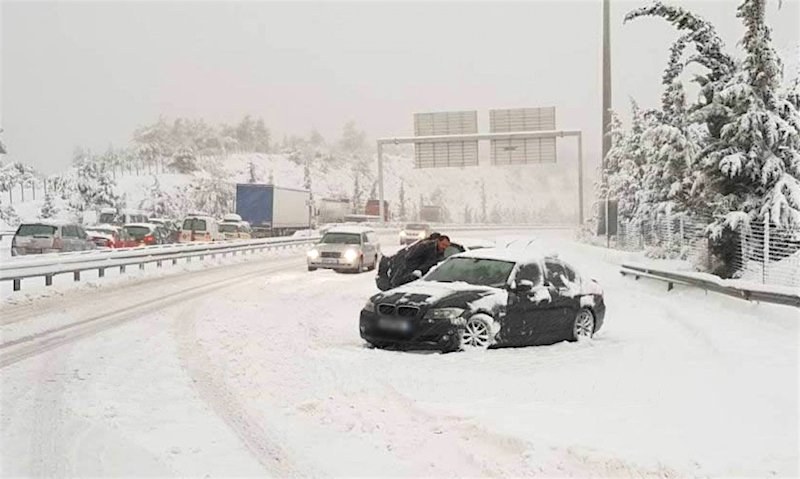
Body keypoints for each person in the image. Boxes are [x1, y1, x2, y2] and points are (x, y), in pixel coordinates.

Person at [376, 233, 448, 291]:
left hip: (423, 277)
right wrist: (416, 271)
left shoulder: (439, 252)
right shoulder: (425, 247)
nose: (444, 247)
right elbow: (410, 258)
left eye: (447, 246)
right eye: (443, 245)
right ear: (438, 241)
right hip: (411, 273)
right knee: (399, 289)